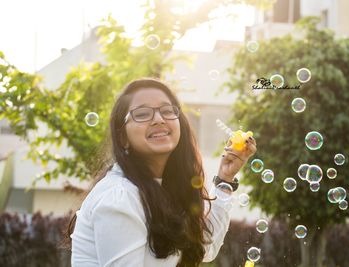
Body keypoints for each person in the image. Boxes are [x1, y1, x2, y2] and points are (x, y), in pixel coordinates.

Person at [67, 78, 257, 266]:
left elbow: (206, 247)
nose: (158, 119)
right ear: (123, 137)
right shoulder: (119, 196)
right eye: (142, 113)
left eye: (167, 111)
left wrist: (226, 178)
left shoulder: (163, 190)